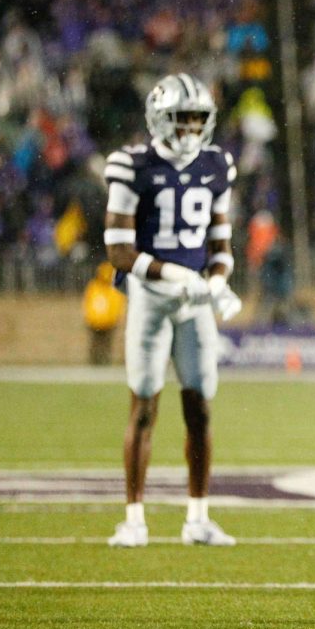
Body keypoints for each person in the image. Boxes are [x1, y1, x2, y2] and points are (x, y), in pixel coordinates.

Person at [102, 73, 244, 548]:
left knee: (200, 407)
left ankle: (198, 517)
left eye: (196, 119)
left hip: (195, 303)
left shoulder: (217, 164)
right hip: (149, 296)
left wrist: (219, 279)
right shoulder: (132, 164)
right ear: (159, 119)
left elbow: (221, 242)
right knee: (144, 404)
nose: (188, 129)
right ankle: (134, 518)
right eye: (180, 119)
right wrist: (180, 275)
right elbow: (118, 250)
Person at [83, 262, 126, 365]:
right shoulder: (94, 286)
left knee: (106, 343)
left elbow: (117, 304)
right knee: (95, 343)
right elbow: (88, 302)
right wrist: (90, 317)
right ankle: (94, 362)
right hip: (95, 321)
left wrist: (114, 318)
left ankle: (104, 362)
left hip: (108, 322)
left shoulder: (113, 288)